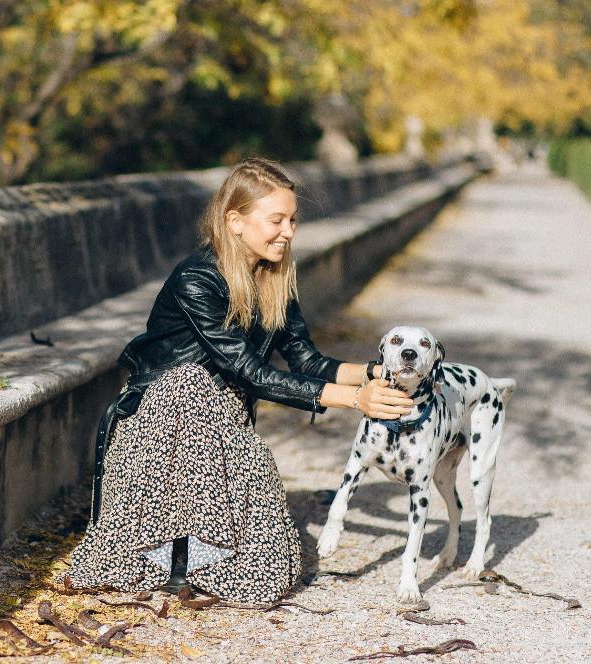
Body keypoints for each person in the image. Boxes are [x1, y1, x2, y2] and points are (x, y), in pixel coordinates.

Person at [62, 157, 413, 604]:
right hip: (158, 425)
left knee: (269, 576)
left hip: (226, 425)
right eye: (276, 220)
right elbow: (250, 372)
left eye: (292, 220)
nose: (287, 232)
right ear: (235, 221)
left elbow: (307, 360)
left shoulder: (275, 277)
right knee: (189, 383)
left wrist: (378, 373)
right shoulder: (197, 279)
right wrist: (355, 400)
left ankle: (199, 556)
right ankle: (174, 557)